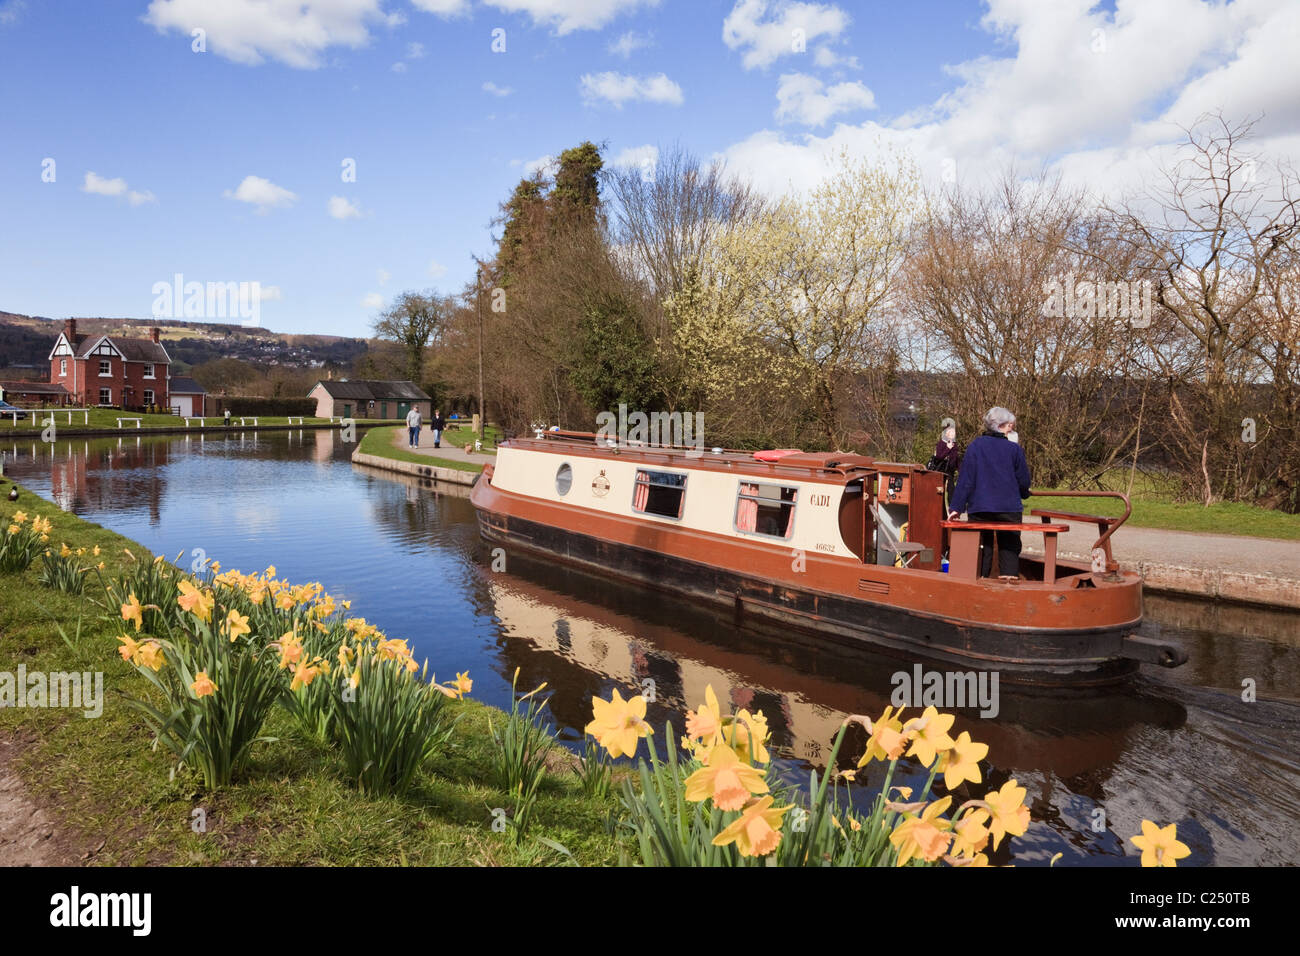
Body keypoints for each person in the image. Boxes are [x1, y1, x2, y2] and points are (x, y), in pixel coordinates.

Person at [947, 406, 1031, 580]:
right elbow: (1023, 481)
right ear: (1001, 426)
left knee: (982, 546)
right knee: (1009, 546)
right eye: (1009, 425)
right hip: (1009, 508)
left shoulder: (975, 446)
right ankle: (1009, 582)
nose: (1011, 429)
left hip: (980, 507)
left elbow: (965, 480)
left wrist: (956, 507)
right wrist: (1024, 493)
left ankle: (980, 579)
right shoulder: (1014, 450)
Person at [927, 423, 963, 511]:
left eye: (954, 432)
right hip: (941, 471)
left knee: (951, 491)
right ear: (946, 433)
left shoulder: (955, 444)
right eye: (951, 432)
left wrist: (960, 470)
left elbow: (956, 458)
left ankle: (952, 510)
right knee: (940, 491)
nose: (953, 433)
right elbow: (939, 457)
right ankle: (938, 508)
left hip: (950, 472)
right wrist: (947, 448)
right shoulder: (941, 443)